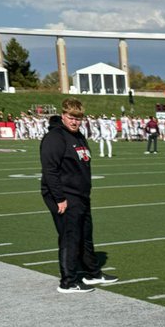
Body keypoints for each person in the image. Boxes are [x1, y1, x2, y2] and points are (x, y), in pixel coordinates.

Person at [39, 98, 119, 293]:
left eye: (78, 118)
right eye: (71, 117)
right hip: (64, 194)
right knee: (70, 236)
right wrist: (59, 198)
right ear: (63, 115)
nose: (75, 121)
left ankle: (92, 273)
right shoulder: (55, 137)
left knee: (85, 234)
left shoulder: (78, 135)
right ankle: (68, 281)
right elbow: (50, 171)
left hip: (80, 194)